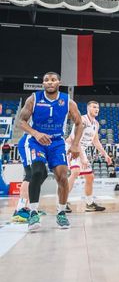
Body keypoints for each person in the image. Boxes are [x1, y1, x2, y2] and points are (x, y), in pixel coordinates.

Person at [18, 72, 83, 231]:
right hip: (37, 142)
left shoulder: (68, 101)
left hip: (57, 142)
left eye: (53, 80)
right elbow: (21, 121)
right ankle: (33, 212)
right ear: (43, 83)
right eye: (46, 80)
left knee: (62, 176)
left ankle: (61, 213)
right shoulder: (34, 99)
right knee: (37, 172)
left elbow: (79, 123)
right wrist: (36, 133)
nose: (49, 82)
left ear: (59, 82)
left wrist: (75, 145)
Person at [66, 101, 112, 213]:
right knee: (75, 172)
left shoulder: (96, 124)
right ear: (88, 108)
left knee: (90, 177)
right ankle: (63, 201)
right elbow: (75, 140)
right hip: (71, 148)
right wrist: (83, 158)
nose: (97, 109)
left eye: (98, 107)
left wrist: (105, 154)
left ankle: (90, 203)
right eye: (94, 107)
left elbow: (95, 141)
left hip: (81, 149)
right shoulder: (82, 120)